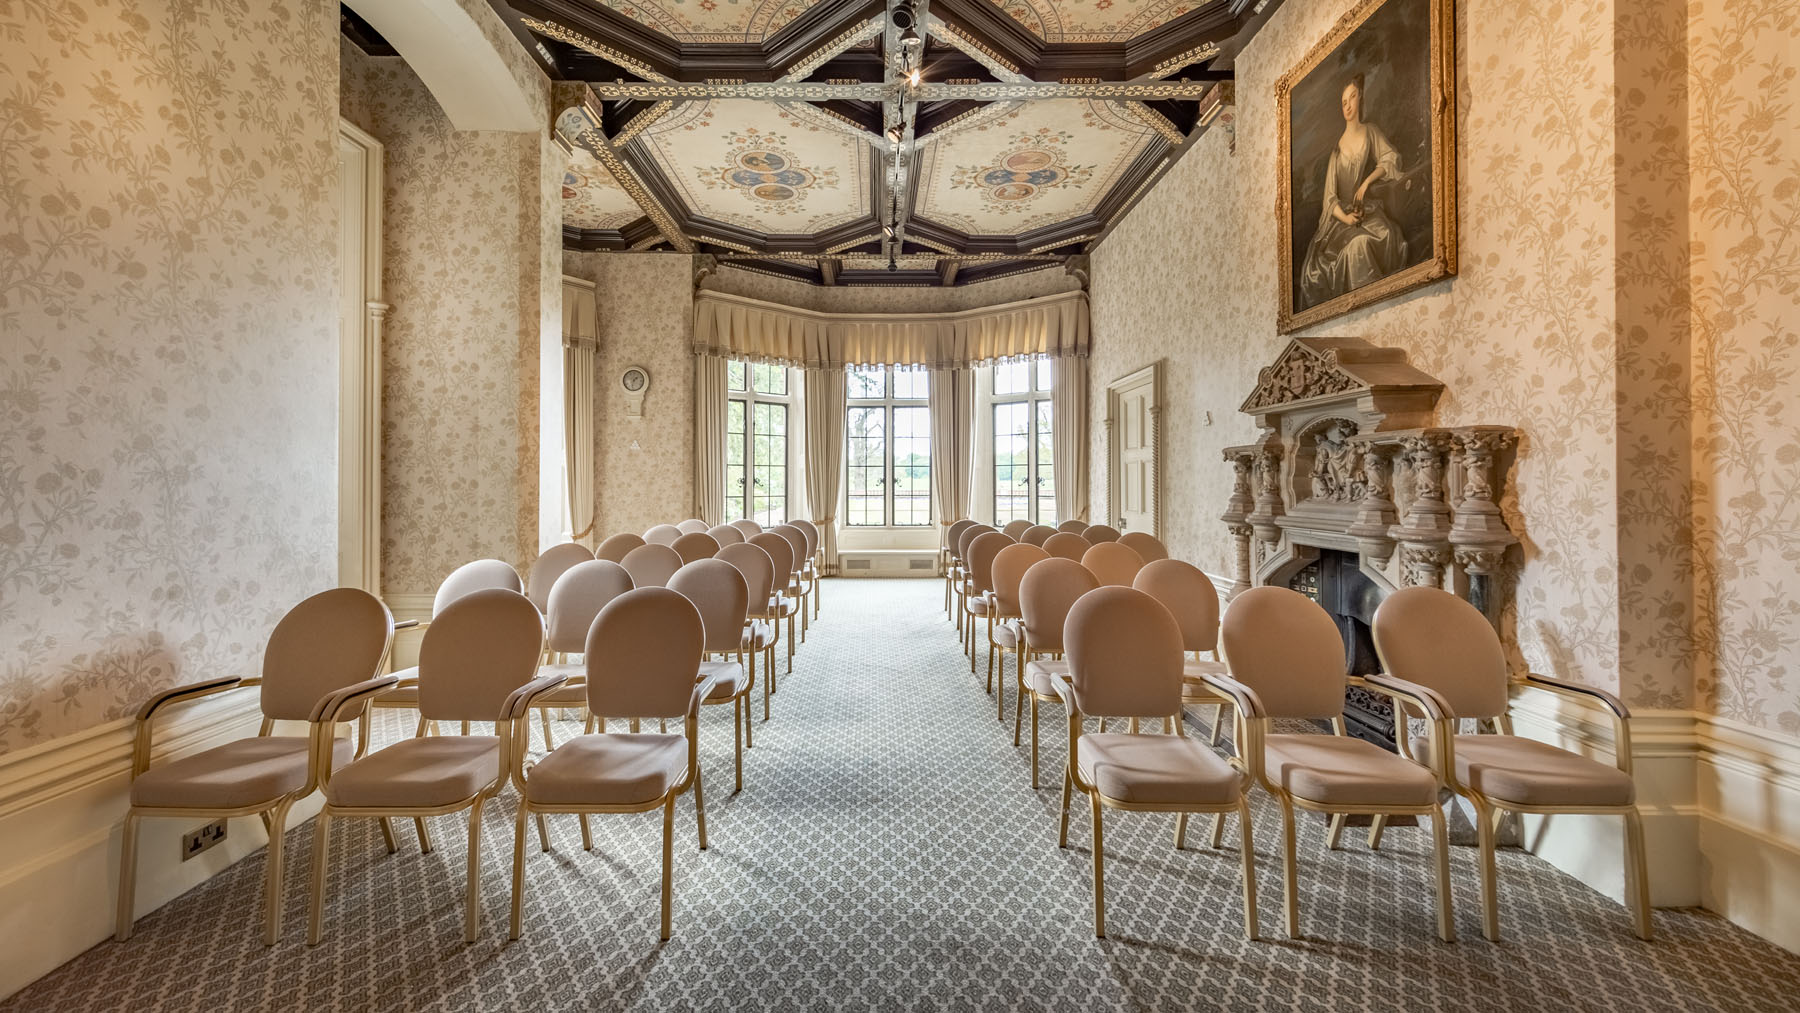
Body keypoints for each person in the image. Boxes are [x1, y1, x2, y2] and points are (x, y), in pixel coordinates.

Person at [1298, 73, 1408, 308]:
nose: (1348, 105)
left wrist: (1367, 182)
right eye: (1343, 102)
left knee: (1385, 236)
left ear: (1361, 98)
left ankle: (1379, 304)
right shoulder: (1336, 150)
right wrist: (1347, 219)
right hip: (1342, 220)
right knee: (1356, 247)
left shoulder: (1370, 131)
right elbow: (1329, 200)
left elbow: (1389, 158)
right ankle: (1371, 307)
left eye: (1352, 97)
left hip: (1366, 211)